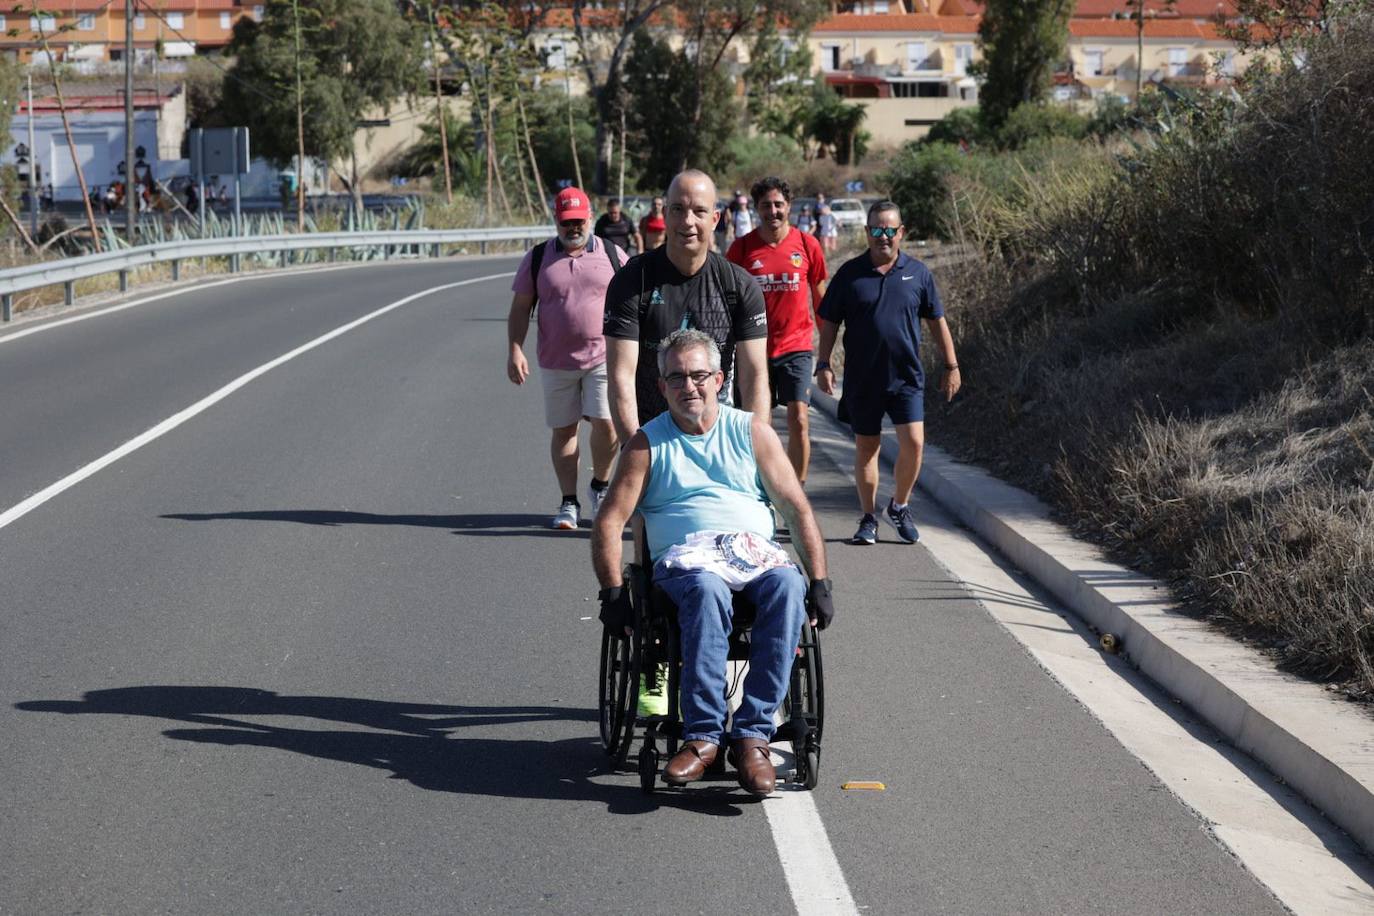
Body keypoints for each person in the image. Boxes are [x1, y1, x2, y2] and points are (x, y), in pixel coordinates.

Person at [592, 329, 835, 796]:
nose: (690, 386)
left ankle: (751, 737)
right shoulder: (646, 445)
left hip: (751, 551)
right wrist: (613, 593)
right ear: (661, 387)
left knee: (788, 587)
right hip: (687, 562)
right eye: (677, 377)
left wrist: (820, 581)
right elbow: (609, 522)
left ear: (719, 379)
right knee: (706, 589)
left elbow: (796, 508)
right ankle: (702, 735)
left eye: (699, 375)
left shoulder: (751, 432)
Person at [815, 200, 961, 545]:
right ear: (867, 233)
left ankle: (899, 505)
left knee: (915, 443)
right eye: (877, 230)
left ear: (901, 233)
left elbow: (937, 321)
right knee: (867, 447)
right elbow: (830, 323)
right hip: (863, 379)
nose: (884, 237)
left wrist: (951, 365)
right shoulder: (850, 274)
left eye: (890, 230)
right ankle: (868, 518)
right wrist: (823, 364)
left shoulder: (919, 273)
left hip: (906, 377)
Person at [603, 168, 770, 446]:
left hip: (719, 441)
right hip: (652, 439)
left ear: (715, 219)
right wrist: (635, 453)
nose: (687, 221)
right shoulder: (631, 281)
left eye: (699, 211)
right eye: (678, 209)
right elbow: (621, 377)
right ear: (665, 214)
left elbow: (754, 377)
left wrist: (755, 451)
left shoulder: (738, 285)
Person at [507, 186, 625, 529]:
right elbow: (519, 308)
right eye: (565, 223)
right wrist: (515, 348)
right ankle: (568, 502)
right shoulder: (538, 257)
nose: (573, 228)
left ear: (590, 218)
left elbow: (636, 303)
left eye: (578, 221)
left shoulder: (614, 254)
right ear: (556, 222)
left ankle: (600, 487)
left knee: (606, 423)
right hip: (556, 361)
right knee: (564, 430)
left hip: (603, 357)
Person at [727, 176, 828, 487]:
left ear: (789, 206)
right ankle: (764, 489)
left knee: (799, 420)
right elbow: (728, 302)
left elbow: (820, 298)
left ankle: (795, 494)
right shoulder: (742, 249)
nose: (773, 211)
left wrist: (826, 355)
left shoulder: (808, 245)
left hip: (797, 346)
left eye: (778, 204)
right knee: (759, 426)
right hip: (754, 351)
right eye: (766, 205)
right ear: (757, 209)